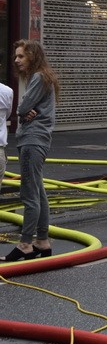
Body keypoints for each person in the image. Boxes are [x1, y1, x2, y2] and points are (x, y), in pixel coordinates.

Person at [2, 40, 59, 263]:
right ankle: (42, 242)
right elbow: (26, 109)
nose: (16, 60)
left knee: (29, 193)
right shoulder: (44, 77)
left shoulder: (38, 77)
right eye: (16, 56)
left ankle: (25, 244)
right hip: (40, 139)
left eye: (21, 56)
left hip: (32, 140)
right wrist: (25, 110)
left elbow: (22, 109)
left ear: (33, 56)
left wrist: (23, 110)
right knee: (39, 191)